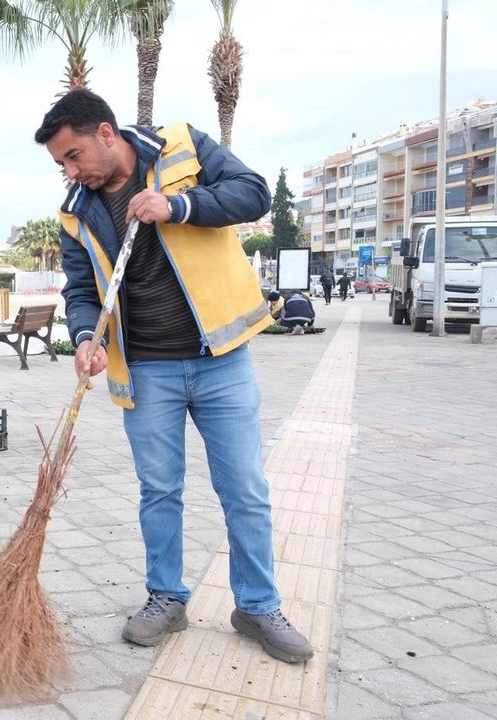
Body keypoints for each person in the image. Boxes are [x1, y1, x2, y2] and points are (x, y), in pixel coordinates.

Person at [34, 89, 313, 663]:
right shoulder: (75, 211)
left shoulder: (182, 146)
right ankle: (166, 597)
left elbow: (253, 194)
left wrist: (177, 206)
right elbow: (83, 291)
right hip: (146, 370)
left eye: (73, 155)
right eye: (61, 163)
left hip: (221, 361)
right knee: (159, 491)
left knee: (245, 489)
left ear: (106, 134)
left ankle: (257, 606)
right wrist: (85, 337)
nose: (70, 170)